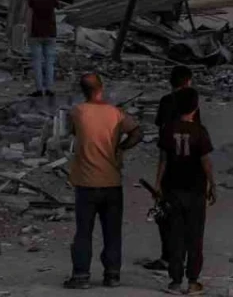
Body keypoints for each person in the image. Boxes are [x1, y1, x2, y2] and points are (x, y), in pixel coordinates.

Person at [66, 72, 143, 290]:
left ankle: (81, 276)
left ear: (83, 91)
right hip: (112, 182)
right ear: (101, 88)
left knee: (83, 231)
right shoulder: (116, 113)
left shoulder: (77, 112)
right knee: (112, 232)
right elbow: (137, 133)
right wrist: (120, 147)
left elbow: (73, 133)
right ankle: (112, 275)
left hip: (86, 183)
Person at [156, 87, 215, 295]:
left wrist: (157, 184)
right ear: (196, 107)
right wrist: (212, 184)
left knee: (175, 235)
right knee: (195, 237)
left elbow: (163, 161)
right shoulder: (200, 131)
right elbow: (205, 161)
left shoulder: (168, 129)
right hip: (195, 190)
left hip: (172, 189)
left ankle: (175, 281)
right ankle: (192, 281)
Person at [144, 67, 203, 274]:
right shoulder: (192, 105)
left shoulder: (166, 102)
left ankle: (168, 257)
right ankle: (183, 261)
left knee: (166, 213)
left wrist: (157, 181)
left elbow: (161, 135)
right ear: (188, 81)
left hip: (170, 164)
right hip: (190, 168)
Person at [27, 0, 59, 97]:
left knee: (37, 63)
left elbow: (29, 13)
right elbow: (58, 6)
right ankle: (49, 89)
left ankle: (39, 89)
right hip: (50, 33)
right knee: (50, 62)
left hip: (36, 34)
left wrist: (28, 31)